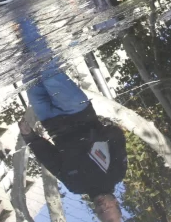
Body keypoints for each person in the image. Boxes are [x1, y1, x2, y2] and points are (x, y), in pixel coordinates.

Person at [19, 72, 127, 222]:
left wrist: (29, 136)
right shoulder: (116, 173)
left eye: (100, 212)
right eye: (108, 208)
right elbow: (117, 135)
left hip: (49, 119)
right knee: (47, 68)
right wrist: (95, 134)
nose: (102, 207)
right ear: (116, 203)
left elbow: (50, 159)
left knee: (27, 71)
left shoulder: (75, 186)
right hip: (77, 110)